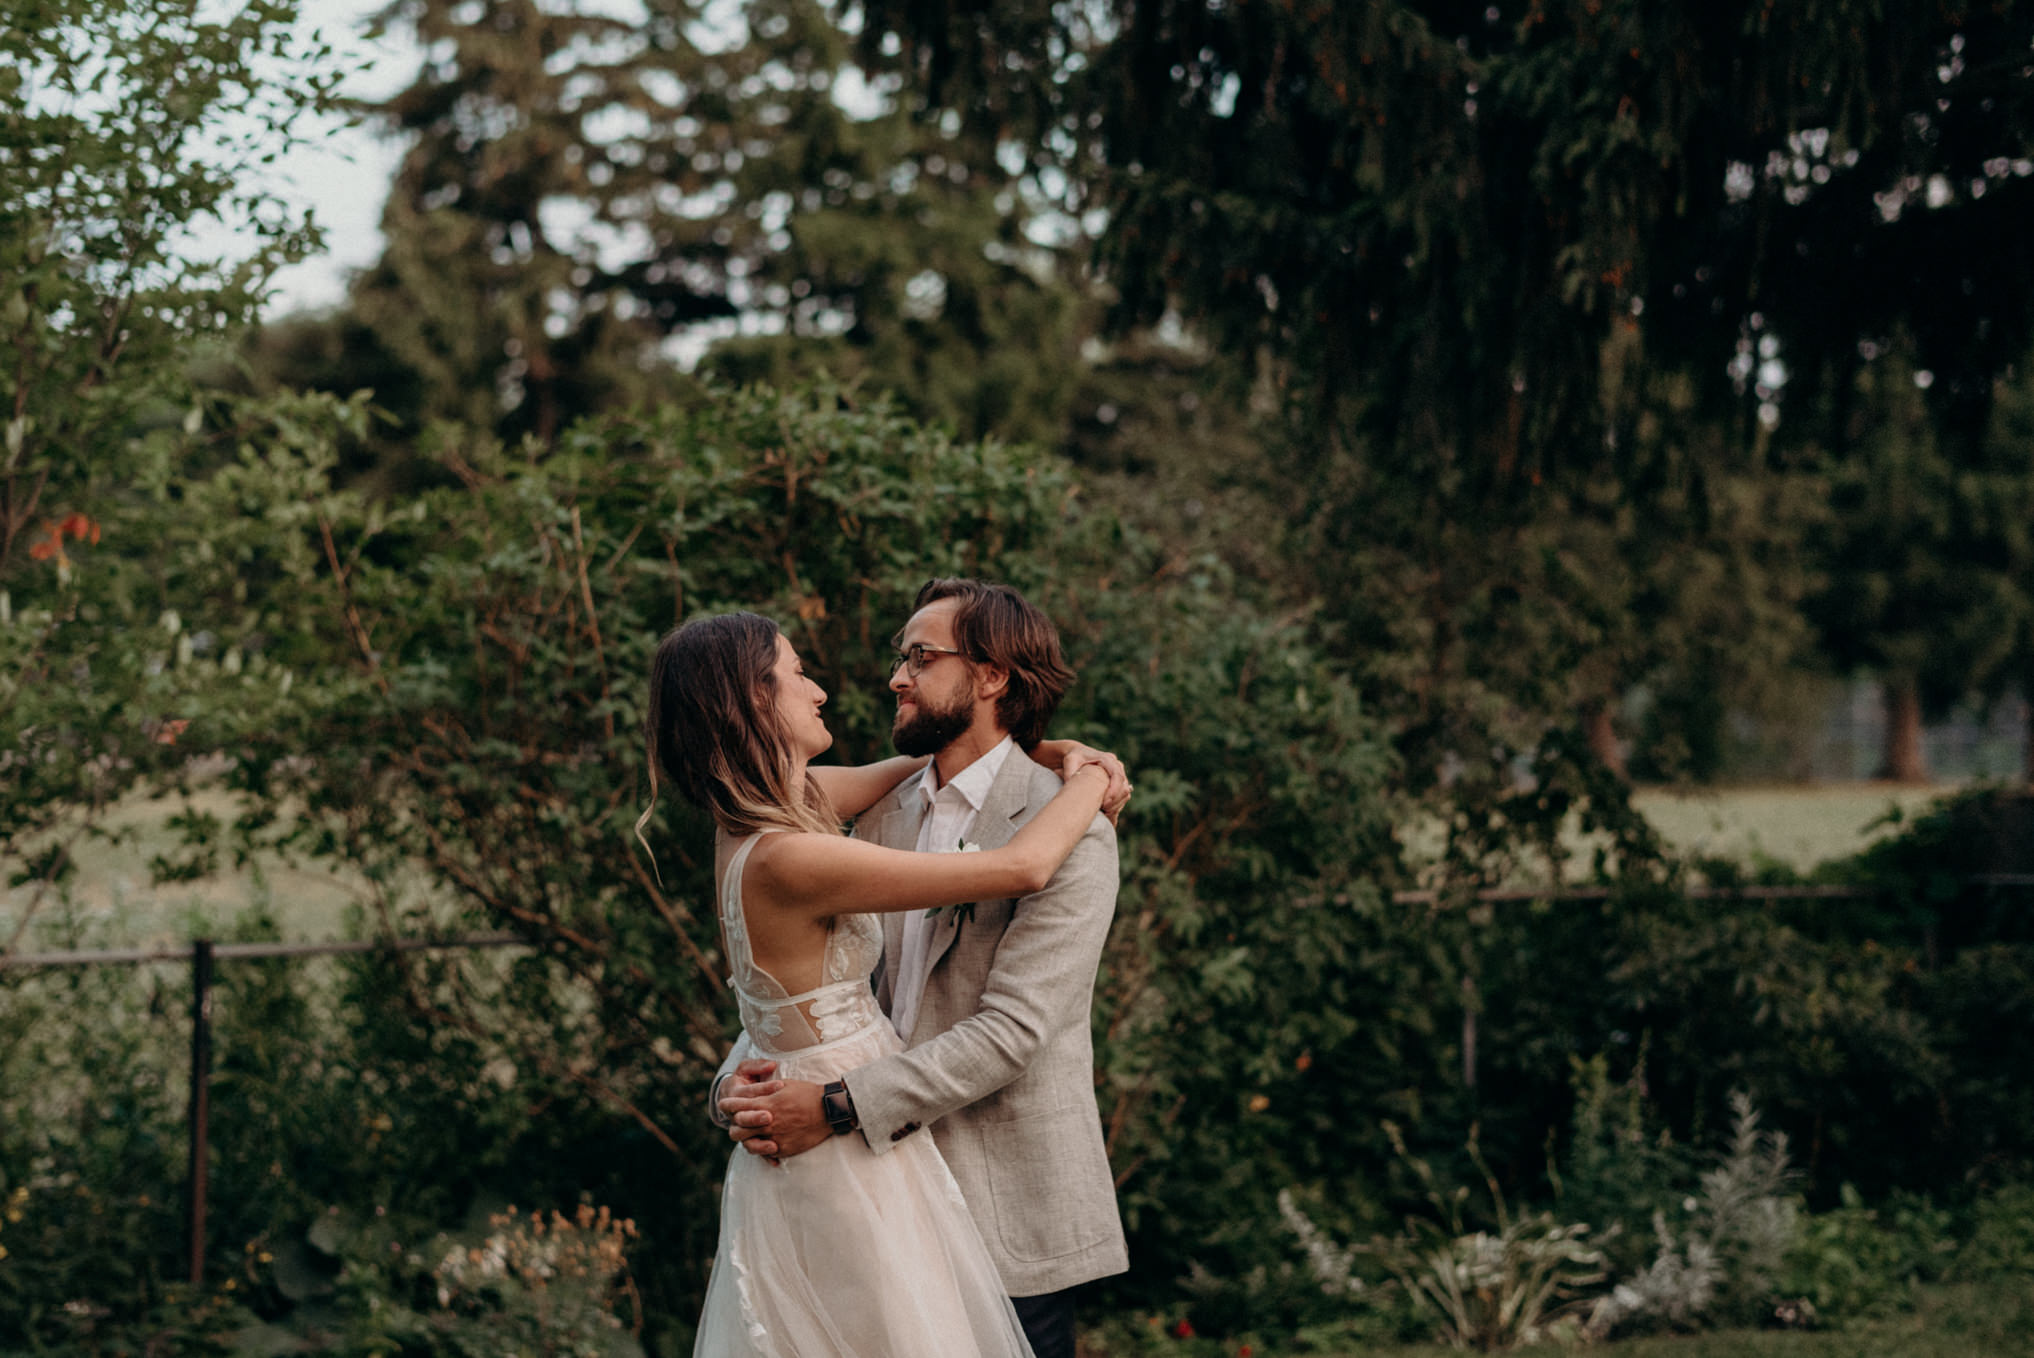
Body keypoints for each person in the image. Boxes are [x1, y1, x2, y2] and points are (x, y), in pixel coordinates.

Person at [643, 607, 1123, 1358]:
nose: (885, 678)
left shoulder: (816, 807)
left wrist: (1055, 755)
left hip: (999, 1203)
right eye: (798, 673)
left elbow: (1010, 1032)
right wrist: (1090, 774)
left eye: (920, 656)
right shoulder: (819, 838)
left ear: (992, 675)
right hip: (859, 1178)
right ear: (752, 702)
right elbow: (1019, 866)